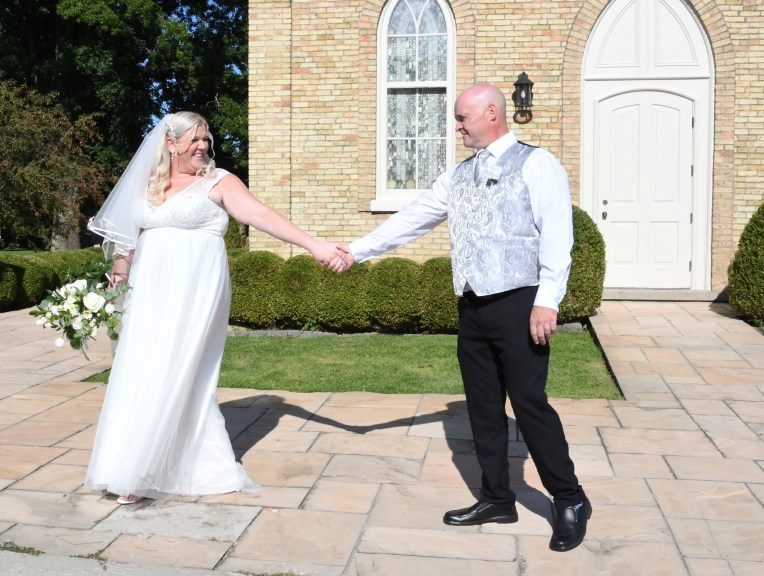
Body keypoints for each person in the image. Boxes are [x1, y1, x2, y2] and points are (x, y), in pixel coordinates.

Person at [337, 83, 590, 552]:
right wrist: (356, 251)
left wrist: (548, 299)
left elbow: (558, 232)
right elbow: (413, 217)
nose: (456, 127)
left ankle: (570, 499)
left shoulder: (537, 163)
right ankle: (497, 498)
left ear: (491, 113)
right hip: (473, 306)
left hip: (520, 302)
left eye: (461, 118)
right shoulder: (458, 175)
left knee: (529, 404)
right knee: (483, 407)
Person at [85, 111, 345, 504]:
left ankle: (144, 472)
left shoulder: (219, 181)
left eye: (205, 139)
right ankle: (130, 463)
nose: (202, 146)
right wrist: (118, 276)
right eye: (194, 139)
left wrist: (314, 245)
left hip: (196, 289)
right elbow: (127, 239)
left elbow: (261, 214)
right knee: (142, 365)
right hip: (150, 292)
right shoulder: (148, 184)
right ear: (170, 144)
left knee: (180, 366)